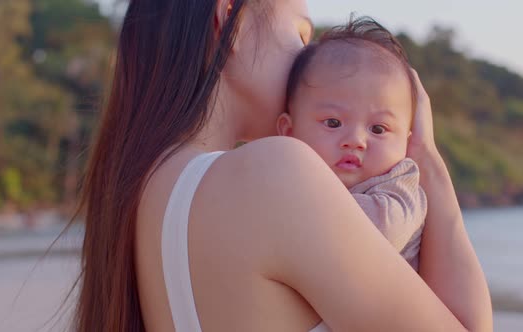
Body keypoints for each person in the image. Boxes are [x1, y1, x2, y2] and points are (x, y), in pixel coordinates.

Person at [72, 1, 493, 331]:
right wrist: (427, 159)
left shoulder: (143, 194)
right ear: (230, 23)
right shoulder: (274, 172)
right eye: (300, 34)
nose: (306, 61)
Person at [277, 17, 426, 270]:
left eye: (378, 129)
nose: (356, 141)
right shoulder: (284, 177)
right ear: (289, 132)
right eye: (333, 123)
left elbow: (384, 228)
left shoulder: (398, 185)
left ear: (406, 144)